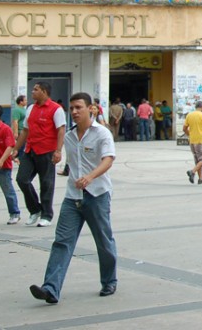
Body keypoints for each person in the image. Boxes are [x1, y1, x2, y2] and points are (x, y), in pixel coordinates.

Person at [29, 92, 117, 304]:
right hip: (72, 197)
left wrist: (90, 177)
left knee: (103, 242)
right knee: (62, 242)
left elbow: (108, 160)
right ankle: (51, 288)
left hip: (97, 195)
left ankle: (109, 281)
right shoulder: (69, 136)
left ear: (91, 109)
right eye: (72, 109)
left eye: (79, 107)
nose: (75, 112)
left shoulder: (102, 134)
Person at [13, 81, 65, 227]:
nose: (32, 92)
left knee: (46, 183)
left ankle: (46, 215)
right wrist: (16, 148)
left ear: (44, 91)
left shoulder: (56, 109)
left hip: (47, 151)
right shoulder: (30, 108)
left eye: (35, 90)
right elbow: (25, 130)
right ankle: (35, 209)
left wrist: (58, 150)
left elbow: (61, 130)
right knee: (22, 179)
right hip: (30, 150)